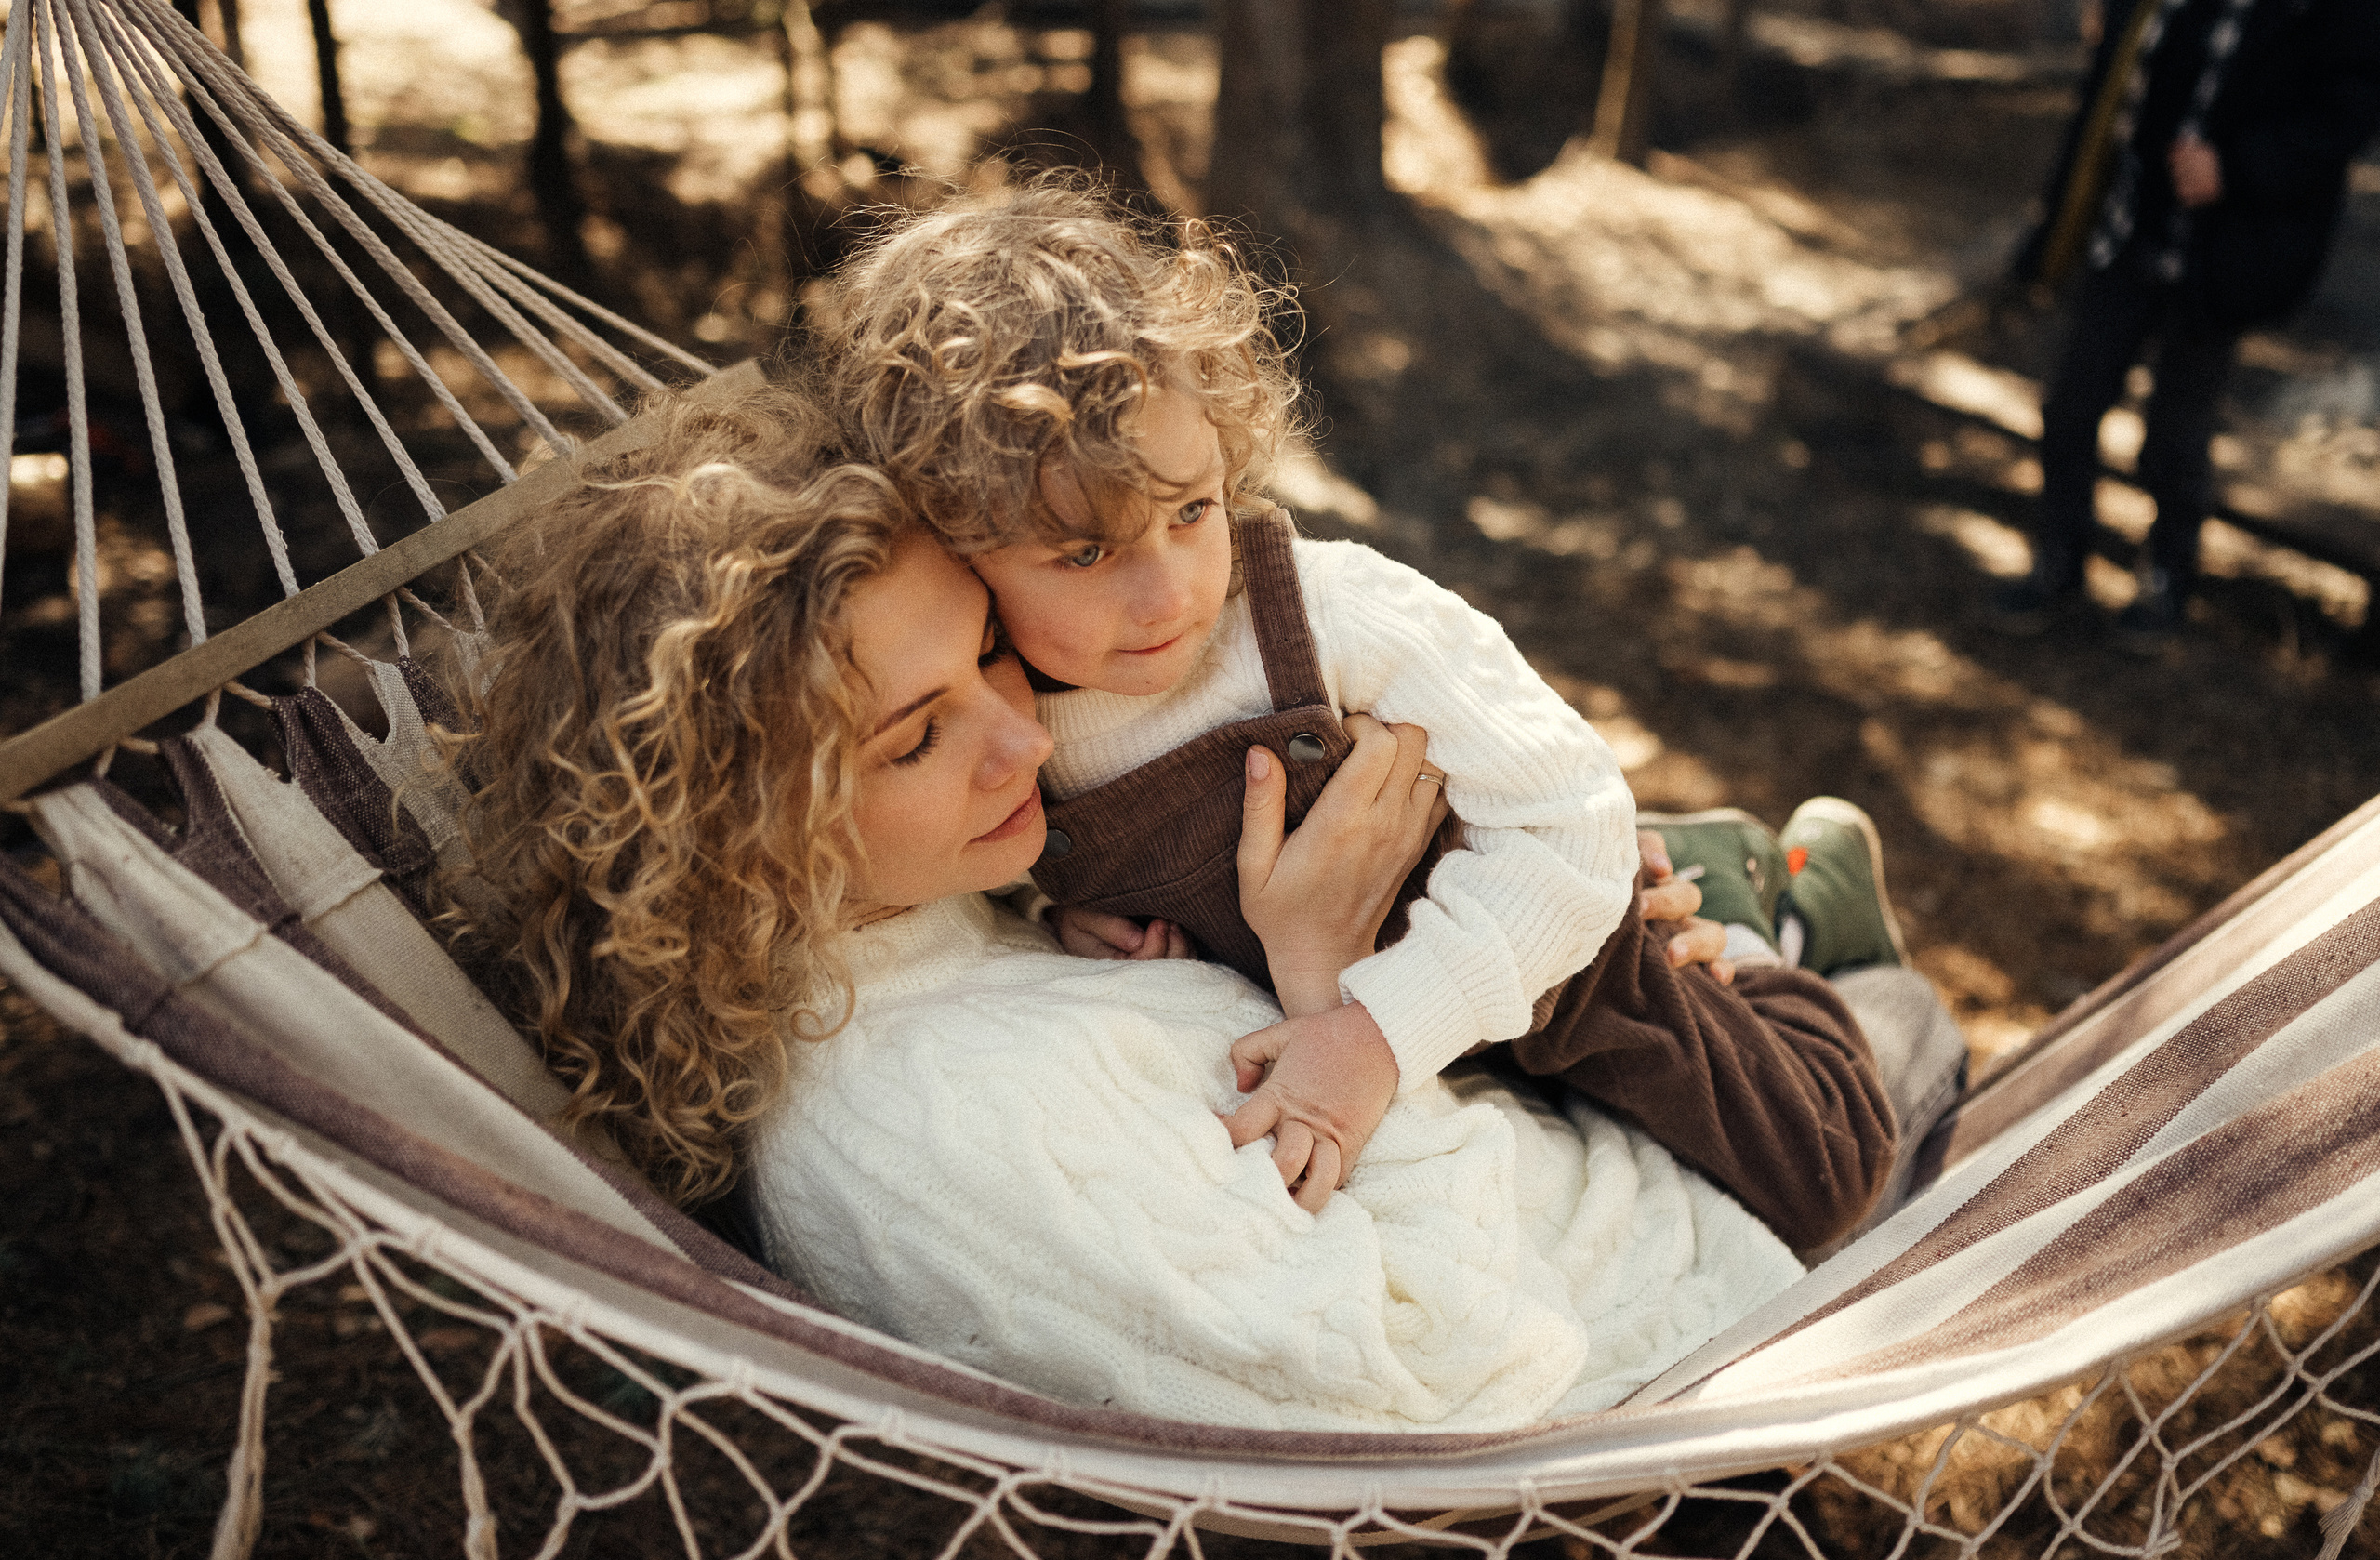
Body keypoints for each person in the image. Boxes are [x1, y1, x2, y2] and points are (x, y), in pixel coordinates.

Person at [444, 382, 1810, 1432]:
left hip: (1615, 1117)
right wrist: (1323, 982)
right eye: (916, 739)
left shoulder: (932, 918)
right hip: (1698, 1289)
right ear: (739, 836)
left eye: (992, 655)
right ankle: (1790, 930)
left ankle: (1757, 913)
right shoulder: (938, 1133)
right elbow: (1429, 1380)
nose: (1026, 740)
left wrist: (1546, 954)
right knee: (1841, 1007)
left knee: (1692, 916)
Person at [816, 181, 1941, 1251]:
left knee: (1819, 1170)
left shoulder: (1331, 616)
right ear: (958, 545)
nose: (1167, 595)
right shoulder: (992, 712)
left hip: (1549, 957)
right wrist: (1061, 910)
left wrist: (1370, 1037)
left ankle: (1779, 922)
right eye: (1083, 553)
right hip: (1427, 1034)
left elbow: (1568, 814)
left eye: (1190, 510)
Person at [1998, 0, 2380, 648]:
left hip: (2224, 258)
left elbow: (2344, 116)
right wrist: (2054, 230)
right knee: (2070, 409)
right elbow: (2106, 103)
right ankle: (2057, 563)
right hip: (2126, 236)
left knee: (2174, 437)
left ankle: (2166, 579)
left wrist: (2237, 167)